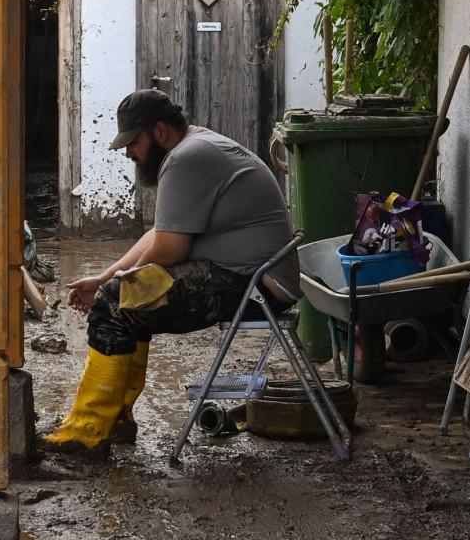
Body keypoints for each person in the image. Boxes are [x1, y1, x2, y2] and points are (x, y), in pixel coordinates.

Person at [42, 89, 301, 456]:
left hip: (256, 289)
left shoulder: (187, 158)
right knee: (121, 298)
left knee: (119, 302)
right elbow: (157, 237)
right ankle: (114, 420)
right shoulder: (196, 148)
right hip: (250, 279)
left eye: (134, 143)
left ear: (159, 131)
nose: (130, 154)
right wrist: (103, 278)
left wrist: (111, 287)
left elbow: (169, 250)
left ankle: (88, 432)